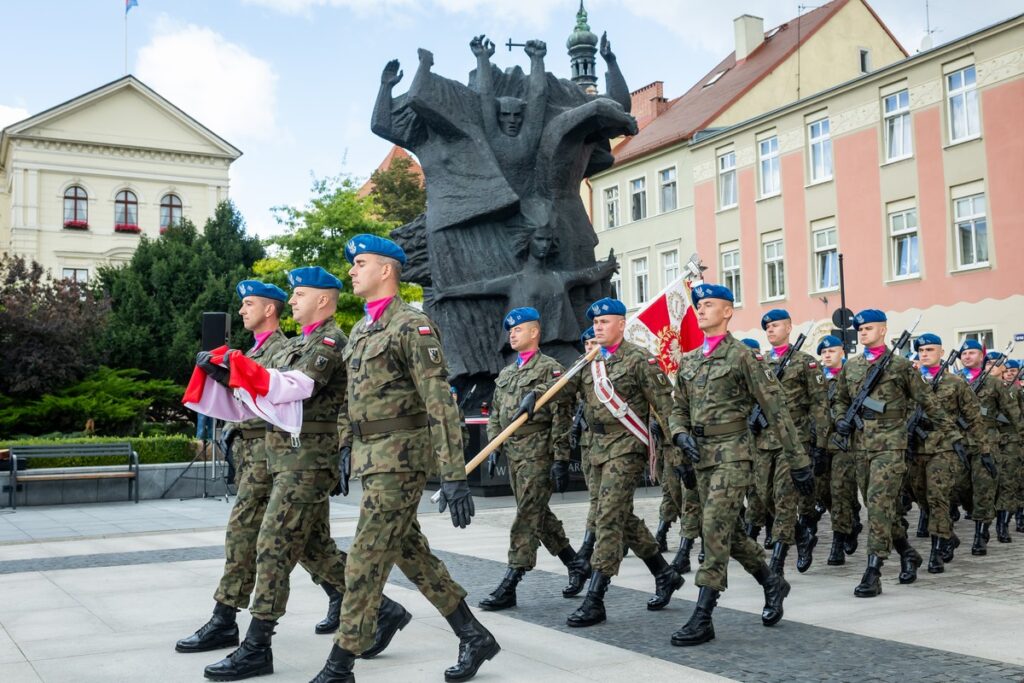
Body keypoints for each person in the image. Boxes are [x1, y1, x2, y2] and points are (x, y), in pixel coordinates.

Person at [201, 267, 409, 681]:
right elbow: (264, 395)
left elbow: (295, 386)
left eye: (299, 294)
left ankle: (258, 645)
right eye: (292, 294)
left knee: (273, 545)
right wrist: (228, 378)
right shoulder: (298, 343)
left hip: (307, 462)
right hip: (283, 461)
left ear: (324, 300)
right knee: (314, 551)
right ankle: (383, 610)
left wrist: (243, 373)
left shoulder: (330, 342)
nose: (292, 300)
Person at [309, 235, 499, 683]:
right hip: (372, 460)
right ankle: (474, 635)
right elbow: (348, 402)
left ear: (387, 270)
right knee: (411, 554)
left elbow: (440, 404)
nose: (352, 272)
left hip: (401, 461)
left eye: (360, 263)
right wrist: (343, 448)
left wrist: (454, 476)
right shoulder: (361, 331)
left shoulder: (413, 327)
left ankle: (341, 664)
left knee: (364, 560)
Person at [176, 281, 338, 656]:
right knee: (299, 544)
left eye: (249, 304)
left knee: (268, 539)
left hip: (279, 455)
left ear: (270, 309)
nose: (243, 310)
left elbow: (284, 396)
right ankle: (227, 619)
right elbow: (247, 399)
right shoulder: (256, 350)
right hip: (260, 455)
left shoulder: (286, 349)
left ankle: (232, 622)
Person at [667, 284, 806, 646]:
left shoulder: (742, 357)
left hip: (733, 454)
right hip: (701, 455)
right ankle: (772, 581)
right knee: (731, 533)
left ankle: (703, 615)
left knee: (713, 528)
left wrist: (799, 461)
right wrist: (680, 434)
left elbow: (776, 409)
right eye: (698, 305)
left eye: (709, 305)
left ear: (728, 311)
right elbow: (676, 407)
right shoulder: (691, 359)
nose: (700, 310)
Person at [565, 297, 684, 628]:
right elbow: (563, 392)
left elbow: (666, 405)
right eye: (595, 323)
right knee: (620, 515)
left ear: (621, 324)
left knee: (607, 518)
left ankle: (595, 598)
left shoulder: (639, 360)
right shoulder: (590, 361)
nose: (598, 327)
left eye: (604, 322)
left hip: (627, 444)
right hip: (597, 448)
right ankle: (664, 573)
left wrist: (679, 446)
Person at [832, 310, 955, 597]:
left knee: (877, 506)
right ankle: (907, 552)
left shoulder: (900, 367)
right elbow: (839, 399)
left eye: (869, 328)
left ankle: (873, 571)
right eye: (860, 329)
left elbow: (928, 402)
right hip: (860, 446)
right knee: (881, 509)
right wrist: (840, 418)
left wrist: (953, 439)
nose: (863, 333)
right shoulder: (852, 367)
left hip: (891, 446)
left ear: (884, 330)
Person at [478, 307, 588, 611]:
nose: (512, 334)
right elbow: (496, 414)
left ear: (535, 332)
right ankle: (576, 563)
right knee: (538, 515)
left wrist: (561, 459)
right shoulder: (507, 373)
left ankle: (512, 580)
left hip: (538, 454)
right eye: (510, 330)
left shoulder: (550, 370)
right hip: (513, 455)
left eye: (518, 329)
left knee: (526, 516)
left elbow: (561, 417)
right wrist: (493, 446)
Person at [909, 334, 992, 572]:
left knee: (938, 497)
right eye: (921, 350)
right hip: (916, 448)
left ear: (942, 352)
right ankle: (948, 536)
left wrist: (983, 450)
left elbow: (974, 418)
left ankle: (936, 551)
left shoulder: (955, 383)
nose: (925, 354)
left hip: (944, 447)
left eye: (930, 349)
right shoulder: (910, 381)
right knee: (921, 497)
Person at [760, 309, 830, 574]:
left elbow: (820, 405)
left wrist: (821, 444)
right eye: (767, 326)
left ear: (789, 328)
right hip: (764, 442)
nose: (770, 330)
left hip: (794, 440)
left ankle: (777, 562)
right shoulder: (760, 362)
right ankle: (802, 534)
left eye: (775, 325)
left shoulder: (805, 362)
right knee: (764, 497)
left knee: (784, 498)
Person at [957, 341, 1016, 553]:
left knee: (984, 488)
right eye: (964, 353)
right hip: (959, 442)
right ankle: (973, 516)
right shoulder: (953, 381)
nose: (967, 356)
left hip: (987, 442)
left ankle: (980, 534)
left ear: (981, 357)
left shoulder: (993, 383)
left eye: (972, 352)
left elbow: (1013, 414)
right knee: (961, 488)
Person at [816, 335, 862, 565]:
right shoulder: (817, 379)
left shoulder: (853, 375)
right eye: (823, 352)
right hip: (822, 443)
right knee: (822, 491)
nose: (827, 355)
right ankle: (851, 518)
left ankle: (838, 542)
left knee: (840, 490)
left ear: (842, 352)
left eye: (831, 351)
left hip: (845, 443)